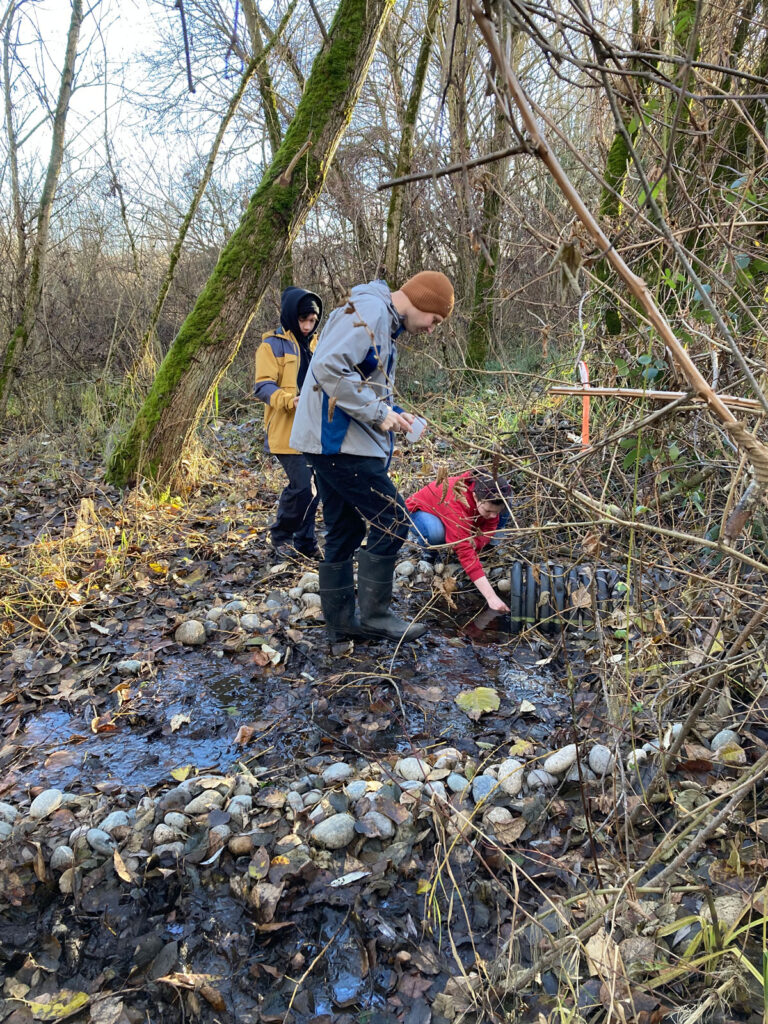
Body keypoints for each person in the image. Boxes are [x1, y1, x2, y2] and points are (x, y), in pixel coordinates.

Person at [290, 271, 454, 643]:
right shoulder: (372, 311)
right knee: (393, 519)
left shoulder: (381, 319)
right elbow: (328, 368)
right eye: (435, 319)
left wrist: (394, 414)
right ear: (423, 301)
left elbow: (358, 380)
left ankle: (342, 624)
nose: (432, 329)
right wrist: (380, 415)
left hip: (334, 441)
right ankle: (376, 615)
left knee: (345, 530)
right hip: (336, 443)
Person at [254, 286, 323, 560]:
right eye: (303, 320)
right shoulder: (271, 345)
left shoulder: (318, 344)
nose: (307, 326)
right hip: (285, 429)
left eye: (312, 322)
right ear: (291, 316)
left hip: (314, 428)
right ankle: (281, 536)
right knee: (302, 486)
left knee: (315, 488)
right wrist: (288, 400)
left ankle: (305, 542)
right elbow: (262, 387)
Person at [406, 469, 511, 613]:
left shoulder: (490, 496)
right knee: (436, 533)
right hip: (420, 513)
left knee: (505, 511)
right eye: (488, 511)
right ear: (475, 496)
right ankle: (429, 554)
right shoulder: (456, 502)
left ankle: (486, 548)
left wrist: (479, 542)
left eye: (495, 511)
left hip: (465, 517)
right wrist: (491, 597)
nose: (493, 515)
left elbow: (491, 525)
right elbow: (464, 551)